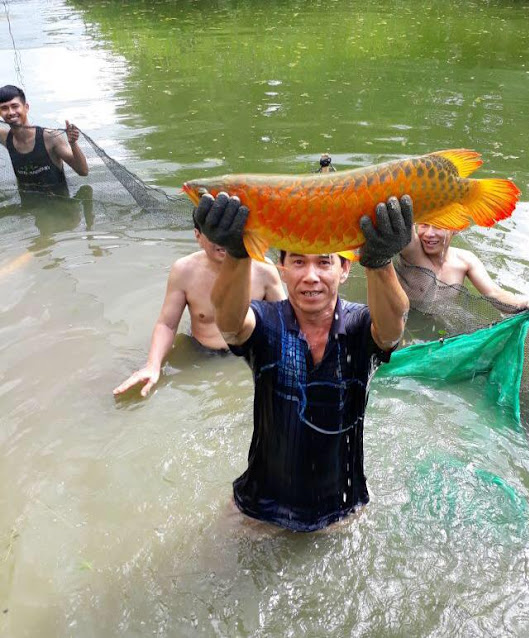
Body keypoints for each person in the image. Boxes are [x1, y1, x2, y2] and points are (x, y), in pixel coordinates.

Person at [194, 190, 412, 532]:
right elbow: (231, 324)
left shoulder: (359, 326)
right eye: (298, 261)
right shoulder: (266, 322)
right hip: (259, 507)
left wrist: (381, 261)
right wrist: (238, 254)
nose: (311, 275)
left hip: (343, 509)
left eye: (324, 261)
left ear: (344, 269)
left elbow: (391, 329)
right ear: (282, 269)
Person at [113, 210, 286, 398]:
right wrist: (152, 366)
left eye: (231, 231)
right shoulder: (184, 270)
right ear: (198, 236)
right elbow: (167, 325)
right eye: (215, 233)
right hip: (201, 354)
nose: (224, 240)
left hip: (249, 355)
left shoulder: (264, 269)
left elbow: (286, 322)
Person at [398, 223, 529, 317]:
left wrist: (521, 305)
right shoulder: (412, 250)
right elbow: (401, 223)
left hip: (440, 322)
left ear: (455, 228)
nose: (429, 233)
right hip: (404, 318)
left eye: (438, 226)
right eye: (424, 225)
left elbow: (494, 293)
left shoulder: (465, 261)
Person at [0, 85, 89, 192]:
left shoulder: (50, 137)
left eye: (15, 106)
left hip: (58, 202)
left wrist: (73, 144)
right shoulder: (5, 136)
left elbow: (83, 171)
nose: (10, 112)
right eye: (4, 108)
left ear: (26, 107)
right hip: (27, 203)